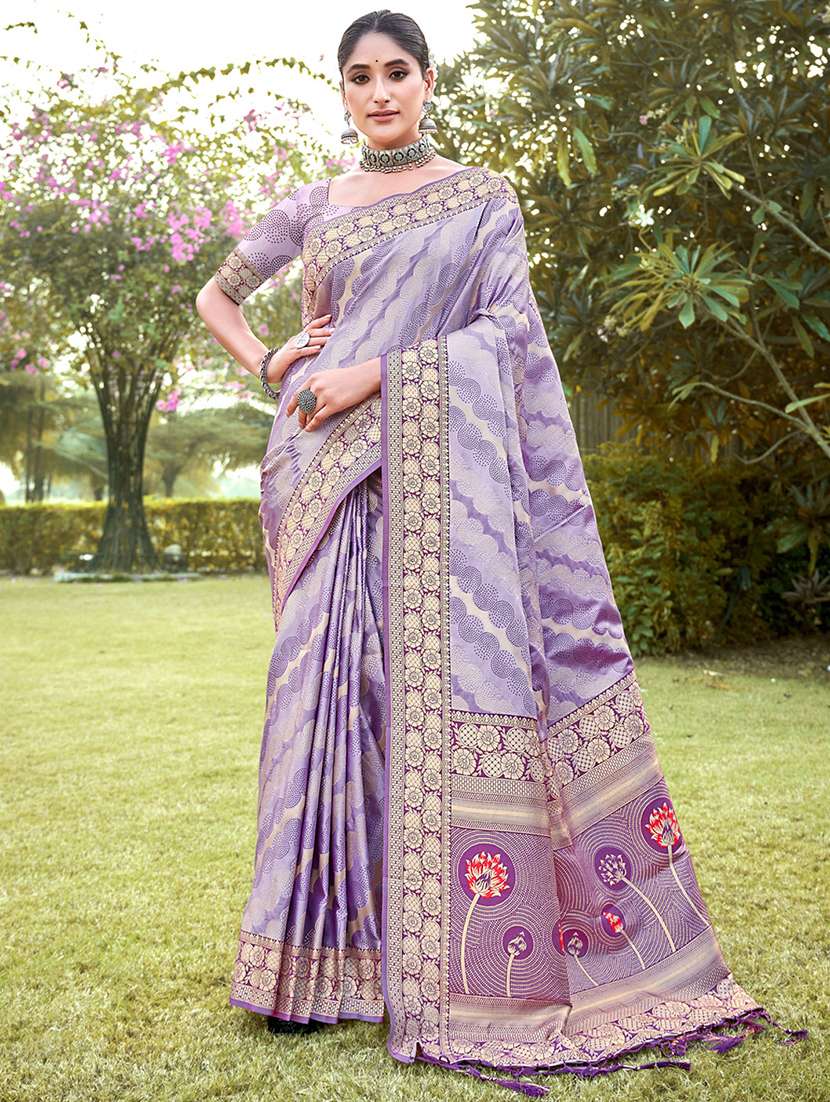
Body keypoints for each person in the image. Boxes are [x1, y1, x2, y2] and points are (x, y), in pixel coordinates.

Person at [195, 9, 807, 1095]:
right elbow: (215, 295)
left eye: (396, 72)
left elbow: (508, 336)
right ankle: (317, 969)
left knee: (429, 705)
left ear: (427, 81)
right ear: (342, 92)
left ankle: (443, 962)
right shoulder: (315, 206)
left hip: (436, 486)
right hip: (327, 480)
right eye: (359, 77)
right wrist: (272, 361)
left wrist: (375, 374)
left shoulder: (481, 198)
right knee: (323, 705)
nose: (379, 92)